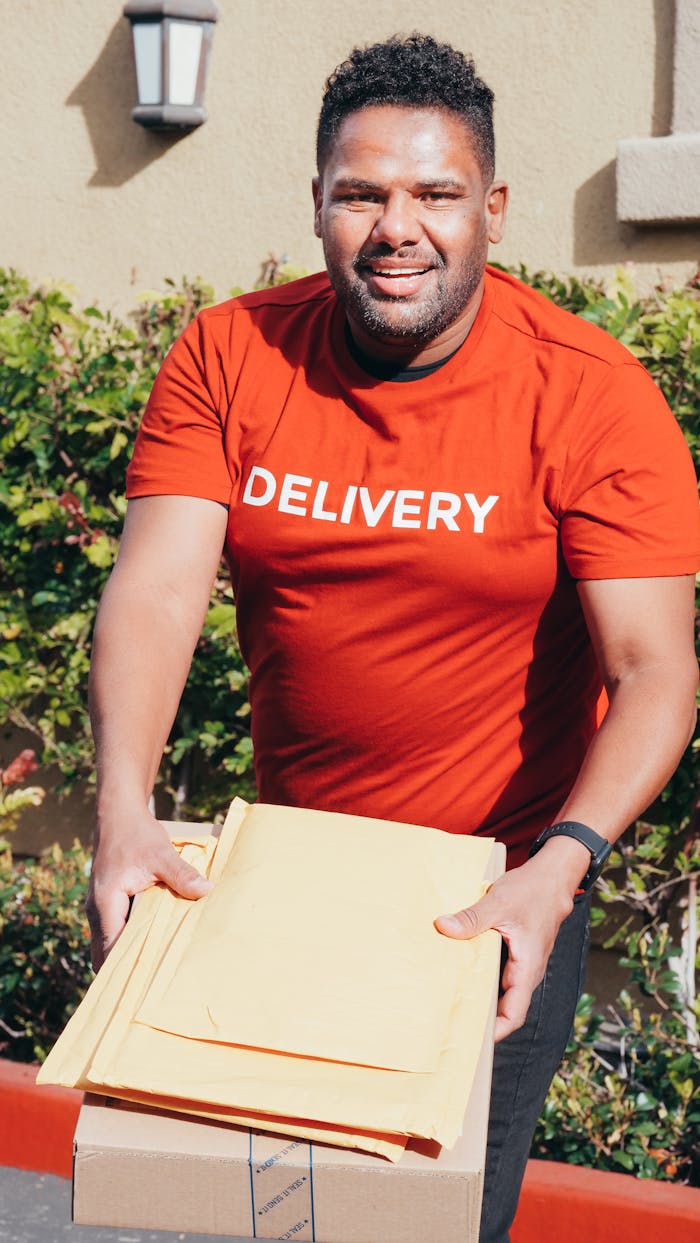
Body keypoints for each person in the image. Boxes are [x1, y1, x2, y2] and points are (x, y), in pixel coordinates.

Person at [86, 33, 699, 1243]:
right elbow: (156, 592)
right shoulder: (230, 352)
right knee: (258, 1218)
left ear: (495, 210)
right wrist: (121, 808)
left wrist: (557, 872)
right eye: (361, 193)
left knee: (426, 1227)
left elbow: (654, 669)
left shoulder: (590, 394)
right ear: (316, 202)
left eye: (434, 194)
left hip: (493, 895)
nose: (395, 227)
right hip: (287, 882)